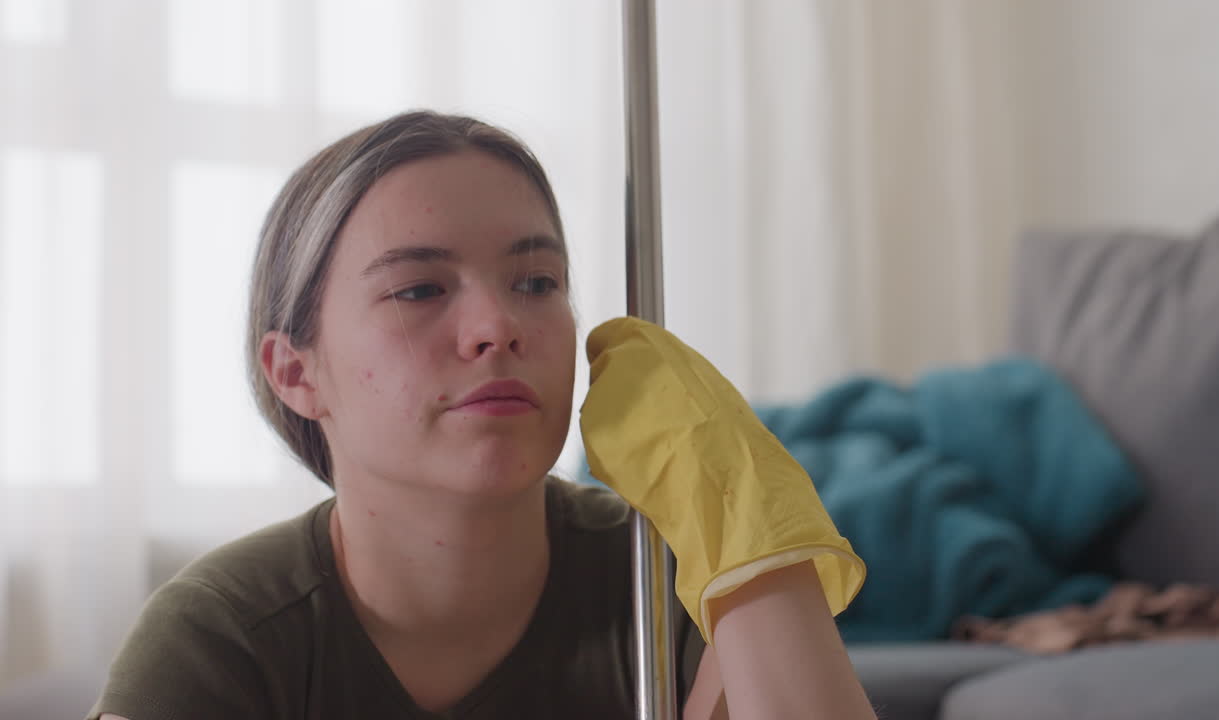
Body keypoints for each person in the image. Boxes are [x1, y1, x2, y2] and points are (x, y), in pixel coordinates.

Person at [89, 110, 878, 720]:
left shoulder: (661, 585)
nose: (497, 326)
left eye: (536, 282)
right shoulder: (221, 642)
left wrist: (739, 512)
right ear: (296, 373)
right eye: (420, 289)